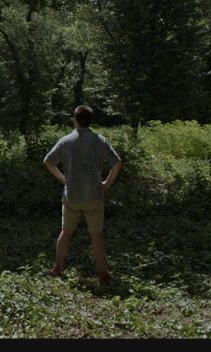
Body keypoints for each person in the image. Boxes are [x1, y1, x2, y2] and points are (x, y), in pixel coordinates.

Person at [43, 105, 122, 286]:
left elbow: (48, 161)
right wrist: (106, 183)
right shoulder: (99, 140)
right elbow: (117, 163)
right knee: (96, 236)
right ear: (90, 120)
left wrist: (63, 179)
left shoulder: (66, 140)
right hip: (93, 196)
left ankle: (57, 268)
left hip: (71, 196)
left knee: (65, 232)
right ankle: (102, 275)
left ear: (75, 119)